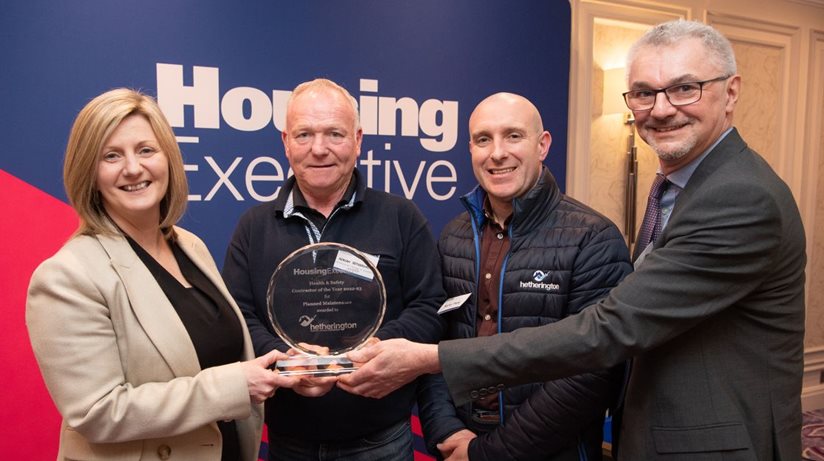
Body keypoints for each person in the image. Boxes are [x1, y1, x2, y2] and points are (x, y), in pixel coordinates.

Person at [339, 20, 806, 460]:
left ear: (731, 92)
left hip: (712, 443)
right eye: (644, 93)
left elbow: (607, 333)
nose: (661, 108)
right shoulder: (677, 189)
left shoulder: (738, 196)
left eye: (685, 88)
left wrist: (432, 364)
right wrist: (448, 427)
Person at [26, 88, 297, 461]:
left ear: (167, 158)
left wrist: (285, 366)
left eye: (146, 150)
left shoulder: (190, 246)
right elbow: (99, 412)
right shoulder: (66, 277)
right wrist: (234, 385)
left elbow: (215, 352)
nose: (134, 168)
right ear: (89, 172)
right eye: (111, 156)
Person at [221, 78, 445, 461]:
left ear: (357, 141)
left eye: (334, 134)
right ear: (285, 142)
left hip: (381, 441)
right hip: (289, 442)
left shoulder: (401, 217)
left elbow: (429, 306)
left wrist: (375, 348)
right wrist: (287, 358)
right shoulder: (254, 227)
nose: (319, 149)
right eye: (304, 134)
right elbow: (239, 316)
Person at [416, 92, 632, 461]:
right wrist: (448, 431)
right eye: (484, 139)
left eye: (513, 136)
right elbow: (434, 347)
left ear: (542, 144)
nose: (497, 153)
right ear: (470, 149)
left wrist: (488, 453)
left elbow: (594, 373)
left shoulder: (593, 238)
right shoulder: (453, 236)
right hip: (461, 443)